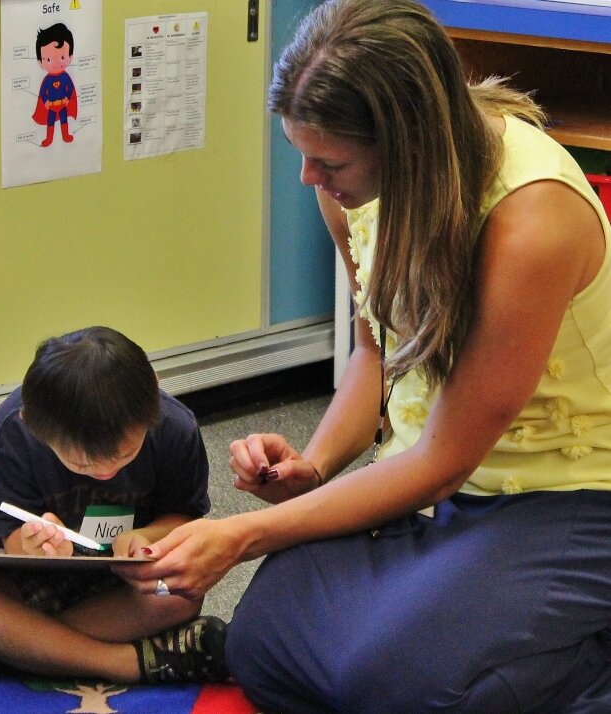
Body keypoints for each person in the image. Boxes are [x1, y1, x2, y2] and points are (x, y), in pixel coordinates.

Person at [114, 1, 611, 711]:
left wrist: (242, 533)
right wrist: (314, 468)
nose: (309, 179)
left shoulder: (533, 221)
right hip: (429, 478)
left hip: (568, 495)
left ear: (408, 143)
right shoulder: (352, 190)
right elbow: (377, 354)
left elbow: (445, 461)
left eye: (329, 160)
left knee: (396, 685)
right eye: (302, 154)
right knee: (262, 648)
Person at [0, 326, 227, 686]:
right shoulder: (13, 436)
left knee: (181, 594)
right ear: (33, 424)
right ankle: (126, 663)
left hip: (123, 589)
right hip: (40, 583)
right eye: (80, 464)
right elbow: (10, 537)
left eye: (125, 455)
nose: (106, 472)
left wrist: (146, 536)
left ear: (153, 395)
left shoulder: (173, 427)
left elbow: (184, 517)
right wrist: (32, 549)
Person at [32, 23, 77, 147]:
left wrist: (67, 97)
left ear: (70, 57)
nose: (56, 64)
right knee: (50, 121)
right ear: (40, 62)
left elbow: (70, 88)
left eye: (62, 57)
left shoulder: (65, 77)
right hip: (51, 106)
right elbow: (43, 92)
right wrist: (46, 101)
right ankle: (49, 139)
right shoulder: (47, 80)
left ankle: (65, 136)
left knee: (64, 120)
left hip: (63, 104)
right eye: (48, 60)